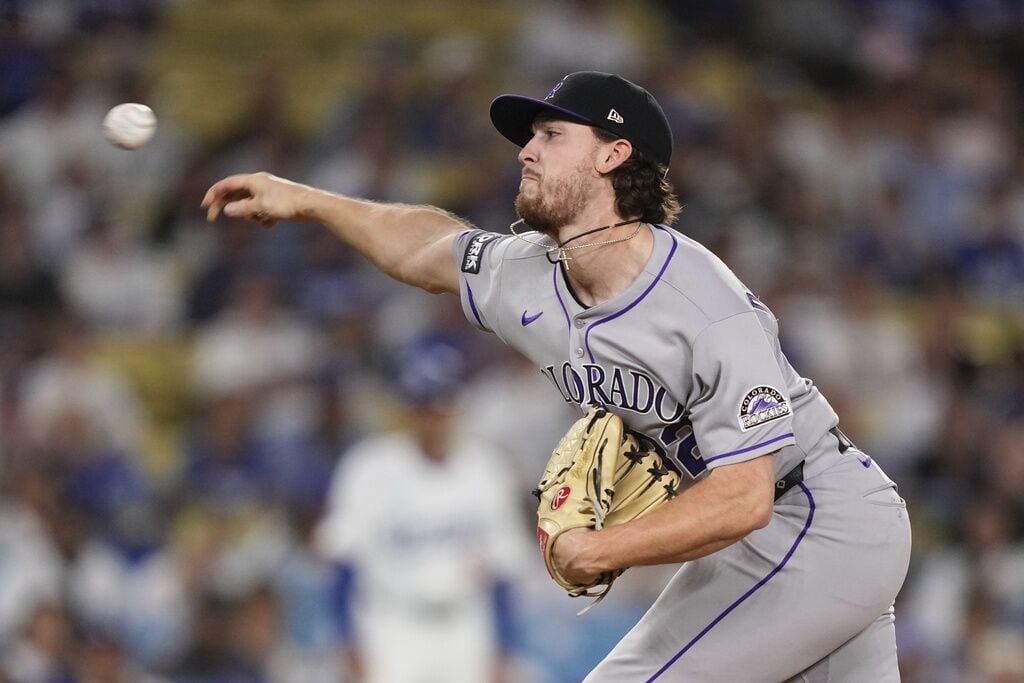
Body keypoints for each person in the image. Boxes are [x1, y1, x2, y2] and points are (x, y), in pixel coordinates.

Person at [203, 71, 913, 682]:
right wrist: (310, 200)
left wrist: (599, 547)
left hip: (816, 515)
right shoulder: (530, 272)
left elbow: (746, 495)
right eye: (530, 137)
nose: (527, 150)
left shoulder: (704, 303)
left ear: (613, 154)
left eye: (551, 135)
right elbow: (425, 248)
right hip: (775, 533)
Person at [313, 338, 530, 683]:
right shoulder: (367, 468)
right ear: (406, 408)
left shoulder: (487, 469)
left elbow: (503, 568)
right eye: (421, 404)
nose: (430, 416)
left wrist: (504, 646)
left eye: (440, 402)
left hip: (467, 625)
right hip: (391, 626)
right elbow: (343, 562)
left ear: (457, 404)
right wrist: (348, 641)